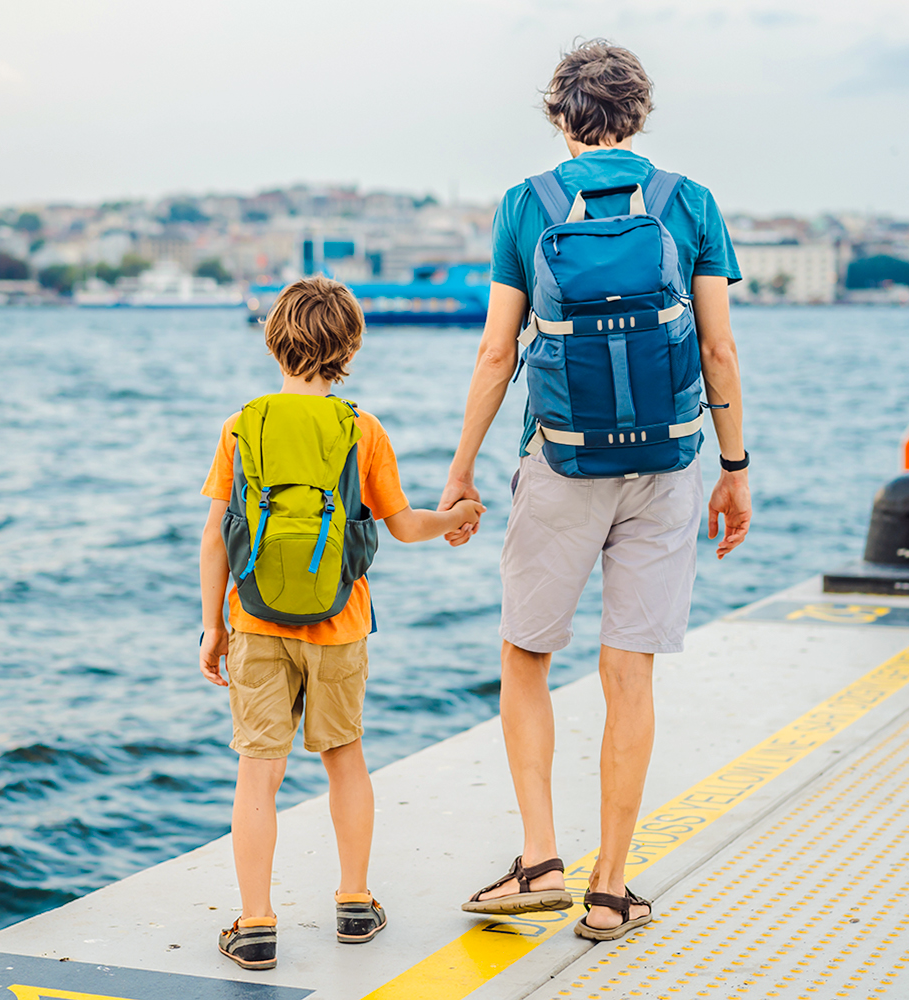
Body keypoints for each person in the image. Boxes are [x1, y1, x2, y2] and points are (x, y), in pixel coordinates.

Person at [440, 40, 752, 940]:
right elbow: (719, 349)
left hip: (562, 463)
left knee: (526, 656)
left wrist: (461, 470)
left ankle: (540, 859)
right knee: (629, 671)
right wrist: (733, 469)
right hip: (667, 467)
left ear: (558, 114)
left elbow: (497, 352)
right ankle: (611, 891)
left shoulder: (525, 205)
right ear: (640, 114)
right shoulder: (689, 201)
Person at [199, 276, 486, 970]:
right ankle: (355, 904)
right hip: (341, 623)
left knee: (258, 772)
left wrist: (212, 626)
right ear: (349, 348)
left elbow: (214, 536)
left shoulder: (241, 425)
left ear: (273, 341)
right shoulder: (363, 429)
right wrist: (457, 517)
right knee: (345, 759)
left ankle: (256, 924)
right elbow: (405, 525)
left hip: (255, 621)